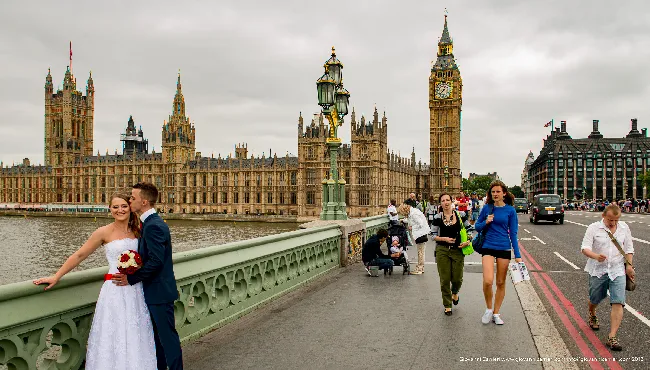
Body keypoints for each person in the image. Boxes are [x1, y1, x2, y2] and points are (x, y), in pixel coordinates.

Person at [33, 193, 157, 369]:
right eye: (115, 207)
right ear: (110, 209)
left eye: (123, 206)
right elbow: (80, 254)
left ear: (130, 208)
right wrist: (56, 276)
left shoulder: (139, 229)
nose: (120, 210)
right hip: (114, 288)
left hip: (136, 287)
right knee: (113, 332)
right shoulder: (103, 232)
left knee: (136, 331)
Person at [112, 182, 184, 370]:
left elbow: (156, 261)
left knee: (167, 338)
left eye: (133, 198)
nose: (130, 200)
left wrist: (131, 278)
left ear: (144, 202)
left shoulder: (153, 226)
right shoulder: (149, 223)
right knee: (158, 339)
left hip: (159, 292)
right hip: (156, 291)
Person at [581, 204, 635, 351]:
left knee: (618, 301)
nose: (613, 223)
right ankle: (592, 312)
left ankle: (612, 336)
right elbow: (584, 248)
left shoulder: (624, 228)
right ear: (603, 216)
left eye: (616, 220)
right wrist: (596, 256)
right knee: (595, 298)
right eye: (610, 220)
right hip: (598, 270)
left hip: (618, 269)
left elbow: (629, 248)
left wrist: (629, 266)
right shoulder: (593, 228)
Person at [475, 180, 520, 325]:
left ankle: (496, 312)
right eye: (493, 192)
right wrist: (486, 222)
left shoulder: (510, 211)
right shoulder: (487, 208)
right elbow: (477, 227)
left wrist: (517, 255)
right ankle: (488, 309)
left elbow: (513, 233)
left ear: (504, 193)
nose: (495, 194)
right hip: (488, 245)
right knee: (488, 281)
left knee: (501, 282)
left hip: (504, 247)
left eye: (498, 191)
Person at [431, 193, 470, 316]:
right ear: (440, 203)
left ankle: (455, 292)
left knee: (457, 278)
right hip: (442, 250)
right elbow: (432, 235)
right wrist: (444, 239)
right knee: (445, 279)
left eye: (448, 200)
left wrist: (468, 241)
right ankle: (447, 305)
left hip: (457, 250)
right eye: (443, 200)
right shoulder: (437, 217)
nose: (446, 202)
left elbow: (470, 230)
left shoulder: (461, 215)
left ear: (452, 201)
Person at [398, 203, 429, 275]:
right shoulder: (412, 212)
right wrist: (403, 220)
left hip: (421, 234)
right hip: (420, 234)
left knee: (420, 252)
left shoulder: (414, 214)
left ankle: (420, 269)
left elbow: (420, 224)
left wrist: (412, 227)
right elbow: (410, 220)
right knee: (421, 251)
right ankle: (420, 267)